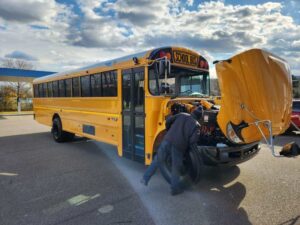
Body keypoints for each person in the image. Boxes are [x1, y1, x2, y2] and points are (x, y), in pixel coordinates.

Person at [141, 105, 202, 195]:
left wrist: (170, 130)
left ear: (192, 112)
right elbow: (193, 141)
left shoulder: (182, 114)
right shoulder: (196, 125)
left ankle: (145, 178)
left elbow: (168, 121)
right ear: (199, 117)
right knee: (175, 167)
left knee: (158, 160)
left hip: (167, 140)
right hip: (178, 146)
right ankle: (174, 189)